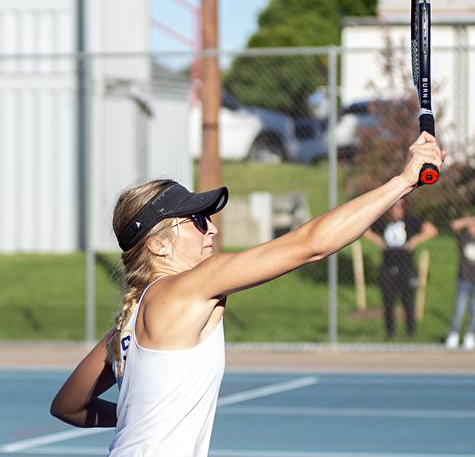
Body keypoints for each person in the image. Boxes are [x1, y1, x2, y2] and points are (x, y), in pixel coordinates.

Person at [50, 132, 444, 456]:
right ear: (159, 246)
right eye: (197, 221)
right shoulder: (190, 287)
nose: (212, 230)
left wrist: (138, 417)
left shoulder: (131, 319)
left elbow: (68, 405)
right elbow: (310, 244)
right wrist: (403, 182)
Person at [363, 199, 437, 340]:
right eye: (393, 206)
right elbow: (364, 230)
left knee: (408, 302)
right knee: (388, 302)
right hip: (388, 267)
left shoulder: (410, 220)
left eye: (399, 206)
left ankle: (410, 333)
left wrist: (414, 241)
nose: (395, 209)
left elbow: (432, 230)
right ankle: (390, 334)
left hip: (406, 267)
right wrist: (379, 241)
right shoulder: (383, 221)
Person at [445, 212, 475, 350]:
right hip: (464, 279)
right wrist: (471, 219)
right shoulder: (463, 238)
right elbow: (453, 225)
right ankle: (454, 334)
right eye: (471, 227)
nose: (473, 228)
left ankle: (470, 335)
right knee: (460, 308)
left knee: (474, 310)